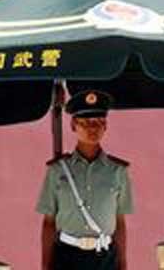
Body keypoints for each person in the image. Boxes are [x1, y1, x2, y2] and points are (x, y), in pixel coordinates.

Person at [36, 90, 133, 270]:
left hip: (105, 257)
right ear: (74, 125)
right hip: (66, 256)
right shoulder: (57, 171)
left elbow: (119, 222)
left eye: (98, 122)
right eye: (86, 123)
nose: (92, 129)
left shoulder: (117, 171)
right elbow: (49, 222)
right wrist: (45, 265)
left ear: (105, 126)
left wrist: (123, 263)